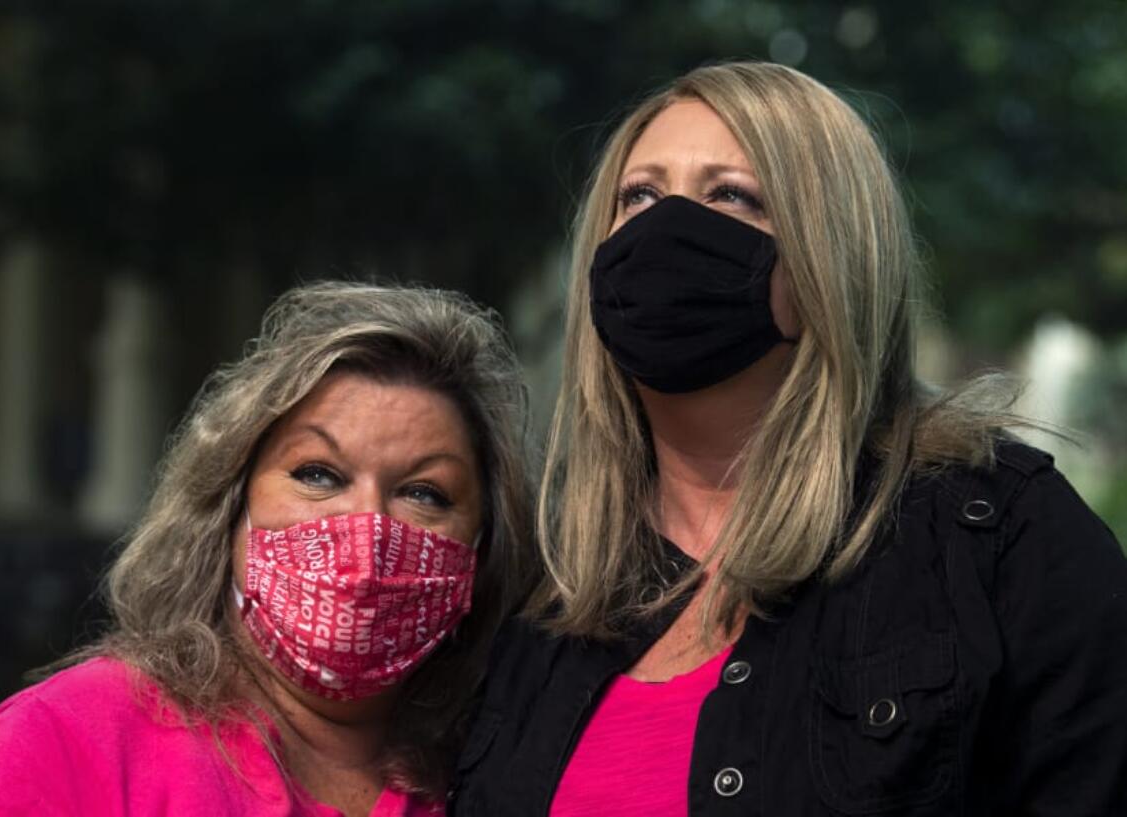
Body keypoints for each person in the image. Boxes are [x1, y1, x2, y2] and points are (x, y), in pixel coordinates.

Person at [449, 62, 1127, 816]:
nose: (665, 228)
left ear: (829, 261)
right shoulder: (540, 582)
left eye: (731, 195)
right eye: (638, 195)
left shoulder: (1004, 537)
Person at [0, 281, 536, 817]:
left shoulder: (513, 777)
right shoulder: (68, 742)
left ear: (482, 550)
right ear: (230, 507)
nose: (366, 527)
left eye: (424, 492)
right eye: (318, 474)